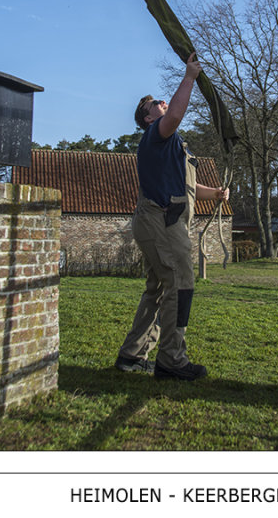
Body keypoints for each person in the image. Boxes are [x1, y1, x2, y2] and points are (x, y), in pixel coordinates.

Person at [115, 52, 229, 380]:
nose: (162, 102)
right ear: (148, 119)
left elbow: (191, 186)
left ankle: (132, 355)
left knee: (158, 288)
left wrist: (216, 194)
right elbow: (176, 115)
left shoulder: (173, 146)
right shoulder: (156, 136)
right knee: (180, 284)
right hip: (161, 220)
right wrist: (190, 76)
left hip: (160, 221)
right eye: (155, 104)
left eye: (160, 100)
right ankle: (172, 359)